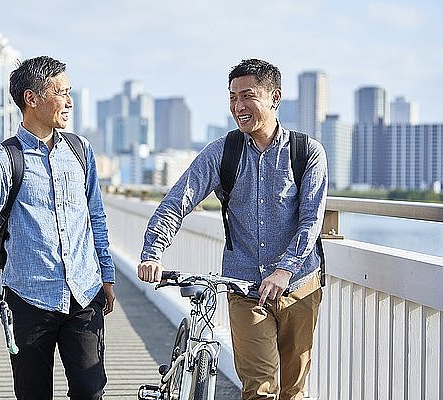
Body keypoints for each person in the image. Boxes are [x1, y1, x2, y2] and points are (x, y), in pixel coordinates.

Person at [138, 58, 327, 400]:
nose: (238, 106)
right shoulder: (222, 152)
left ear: (274, 98)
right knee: (259, 388)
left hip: (299, 285)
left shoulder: (306, 152)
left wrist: (285, 269)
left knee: (294, 391)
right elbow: (177, 202)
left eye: (247, 96)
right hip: (244, 288)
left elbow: (310, 220)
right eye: (232, 97)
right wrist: (152, 252)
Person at [0, 55, 116, 400]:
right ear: (31, 99)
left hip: (83, 294)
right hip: (28, 300)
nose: (69, 101)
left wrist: (106, 276)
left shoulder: (81, 150)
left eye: (70, 92)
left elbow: (95, 217)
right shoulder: (2, 160)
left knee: (90, 389)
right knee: (33, 394)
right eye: (61, 92)